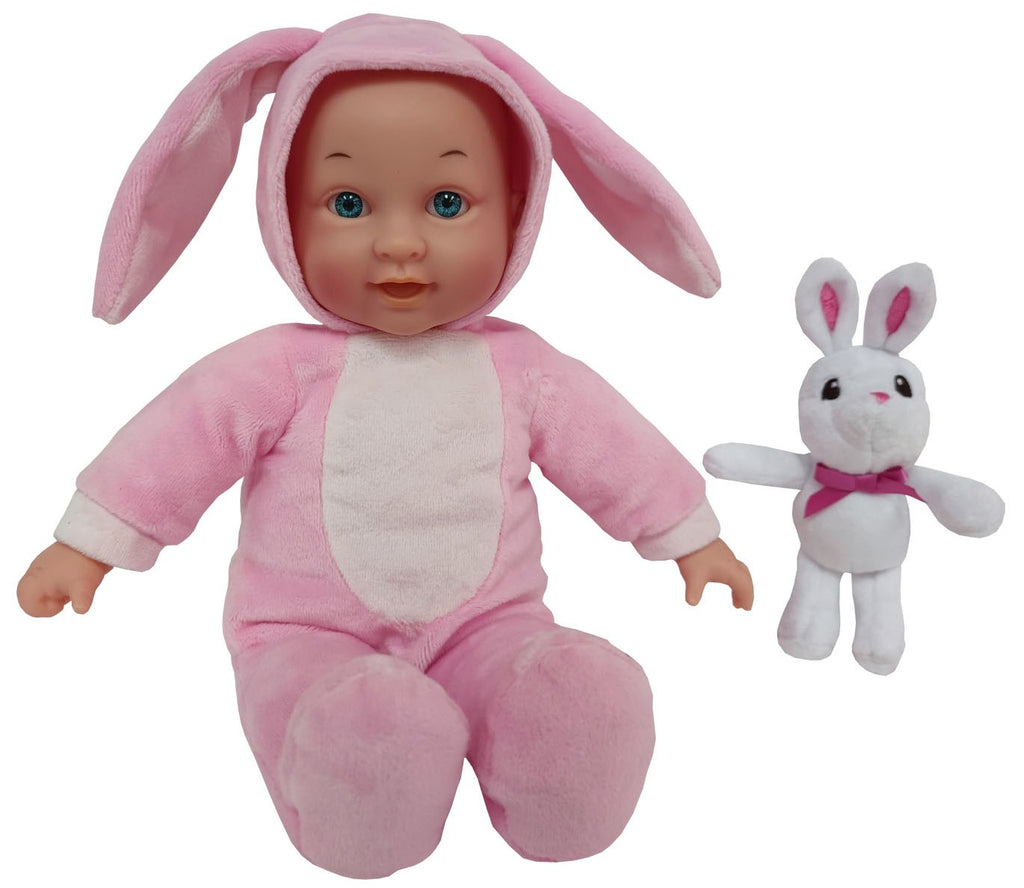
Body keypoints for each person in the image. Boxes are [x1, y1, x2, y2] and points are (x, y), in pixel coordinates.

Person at [17, 15, 752, 879]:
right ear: (282, 212)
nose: (399, 242)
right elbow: (175, 445)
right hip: (304, 635)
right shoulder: (275, 370)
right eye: (349, 204)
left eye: (447, 204)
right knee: (354, 726)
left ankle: (555, 744)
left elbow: (615, 451)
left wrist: (688, 537)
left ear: (517, 209)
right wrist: (92, 543)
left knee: (561, 696)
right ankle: (356, 778)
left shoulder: (526, 370)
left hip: (489, 625)